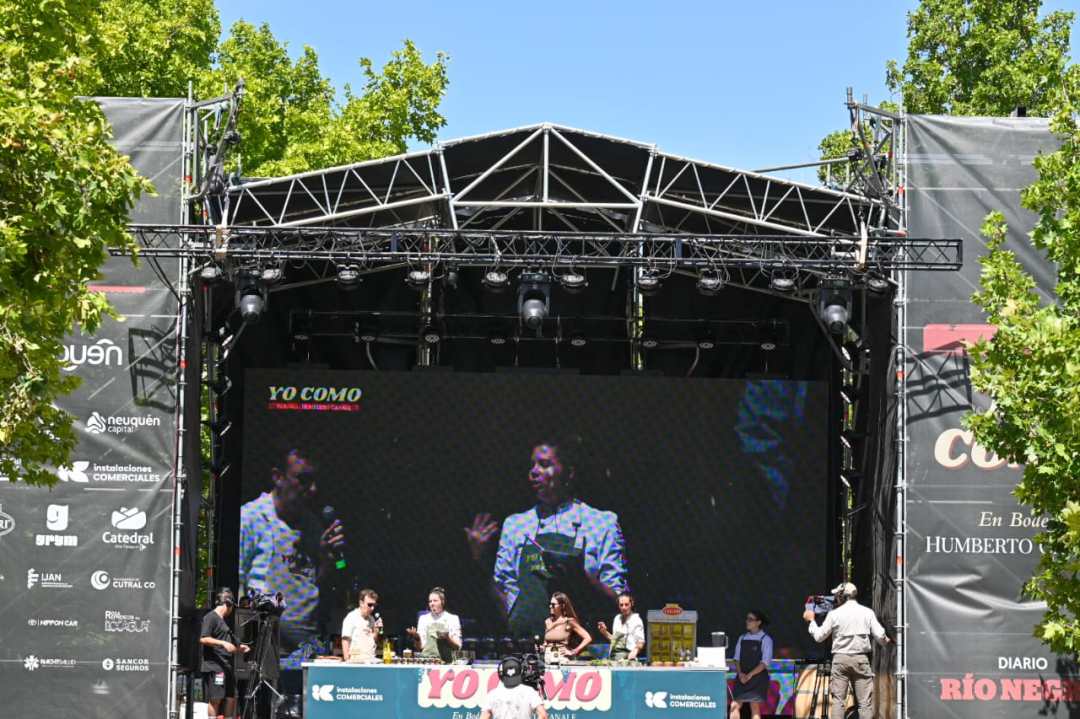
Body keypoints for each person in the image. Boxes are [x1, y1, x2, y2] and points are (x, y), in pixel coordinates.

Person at [466, 439, 629, 637]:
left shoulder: (601, 523)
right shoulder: (516, 525)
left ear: (569, 473)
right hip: (528, 644)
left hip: (581, 647)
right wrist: (480, 559)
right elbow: (506, 598)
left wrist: (582, 579)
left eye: (544, 464)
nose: (533, 472)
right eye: (532, 465)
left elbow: (619, 602)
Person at [239, 448, 346, 668]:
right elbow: (235, 584)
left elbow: (318, 582)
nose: (313, 489)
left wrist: (329, 561)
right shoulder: (250, 518)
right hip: (263, 651)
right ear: (278, 477)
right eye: (303, 480)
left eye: (314, 481)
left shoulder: (313, 526)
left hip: (306, 651)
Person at [802, 582, 890, 719]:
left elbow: (819, 637)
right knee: (864, 704)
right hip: (861, 660)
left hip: (840, 660)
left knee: (838, 702)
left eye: (837, 596)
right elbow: (880, 636)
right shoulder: (867, 612)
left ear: (841, 596)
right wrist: (887, 641)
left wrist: (811, 621)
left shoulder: (834, 614)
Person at [199, 588, 250, 719]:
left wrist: (240, 648)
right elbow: (203, 638)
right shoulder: (210, 617)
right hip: (215, 666)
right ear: (228, 604)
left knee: (231, 697)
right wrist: (222, 643)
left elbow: (229, 644)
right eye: (232, 607)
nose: (232, 610)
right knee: (216, 699)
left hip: (227, 666)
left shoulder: (223, 621)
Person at [729, 609, 773, 719]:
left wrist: (749, 675)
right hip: (742, 677)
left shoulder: (766, 639)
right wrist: (740, 674)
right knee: (734, 705)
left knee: (754, 707)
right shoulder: (742, 638)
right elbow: (736, 659)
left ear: (758, 622)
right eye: (747, 619)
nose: (747, 621)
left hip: (757, 678)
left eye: (750, 619)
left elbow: (765, 663)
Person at [479, 655, 549, 719]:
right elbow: (543, 715)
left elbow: (484, 716)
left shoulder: (492, 695)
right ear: (521, 671)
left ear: (501, 673)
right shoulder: (529, 692)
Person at [406, 586, 463, 663]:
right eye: (430, 601)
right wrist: (416, 638)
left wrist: (447, 638)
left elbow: (457, 647)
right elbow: (420, 648)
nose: (432, 604)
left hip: (446, 662)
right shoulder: (423, 619)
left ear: (442, 602)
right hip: (427, 661)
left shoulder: (452, 618)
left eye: (435, 601)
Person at [543, 592, 591, 664]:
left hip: (561, 659)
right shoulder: (548, 621)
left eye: (553, 604)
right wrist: (543, 646)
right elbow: (546, 641)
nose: (550, 606)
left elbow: (587, 638)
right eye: (549, 604)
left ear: (562, 606)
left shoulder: (569, 621)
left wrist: (574, 651)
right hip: (547, 659)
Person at [596, 592, 644, 661]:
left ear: (631, 604)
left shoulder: (636, 620)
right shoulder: (617, 618)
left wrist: (635, 651)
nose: (624, 607)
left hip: (628, 660)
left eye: (626, 604)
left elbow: (640, 642)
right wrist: (604, 632)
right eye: (621, 605)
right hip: (613, 659)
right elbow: (615, 641)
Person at [342, 588, 383, 663]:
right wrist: (347, 660)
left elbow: (372, 639)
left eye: (374, 605)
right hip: (356, 662)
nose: (372, 608)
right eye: (369, 605)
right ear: (361, 603)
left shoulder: (372, 619)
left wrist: (376, 630)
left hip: (370, 660)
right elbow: (345, 640)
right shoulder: (351, 617)